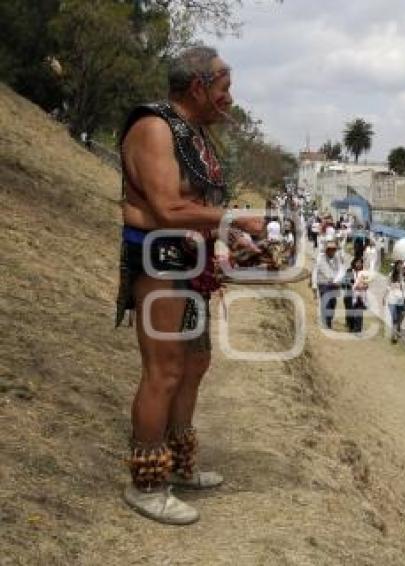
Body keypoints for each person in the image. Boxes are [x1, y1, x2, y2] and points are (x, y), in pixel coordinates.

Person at [115, 46, 264, 524]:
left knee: (195, 362)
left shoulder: (194, 133)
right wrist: (235, 218)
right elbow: (167, 210)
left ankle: (178, 464)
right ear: (198, 86)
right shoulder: (154, 127)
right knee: (164, 370)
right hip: (160, 262)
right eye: (223, 88)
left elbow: (195, 206)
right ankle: (147, 483)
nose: (229, 98)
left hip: (192, 263)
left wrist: (234, 236)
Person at [315, 238, 344, 329]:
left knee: (332, 303)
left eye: (334, 249)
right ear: (327, 250)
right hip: (323, 283)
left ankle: (329, 319)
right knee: (326, 302)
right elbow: (323, 270)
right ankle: (325, 321)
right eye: (330, 249)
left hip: (334, 284)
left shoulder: (337, 257)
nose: (332, 251)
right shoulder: (321, 257)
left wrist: (337, 280)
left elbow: (341, 270)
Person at [383, 260, 405, 344]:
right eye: (398, 266)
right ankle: (394, 335)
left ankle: (396, 331)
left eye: (401, 266)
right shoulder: (391, 275)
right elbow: (388, 286)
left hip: (401, 298)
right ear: (396, 266)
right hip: (392, 298)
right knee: (394, 317)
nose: (400, 267)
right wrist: (384, 297)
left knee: (399, 316)